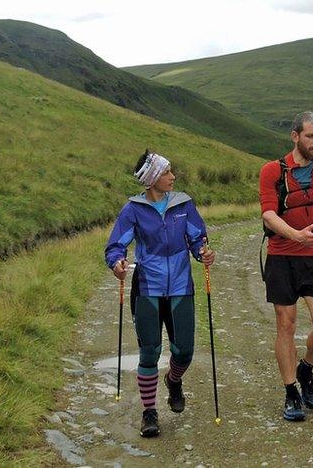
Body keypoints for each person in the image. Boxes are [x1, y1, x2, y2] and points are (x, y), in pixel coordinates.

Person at [104, 150, 215, 438]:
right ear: (153, 179)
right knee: (150, 351)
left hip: (181, 288)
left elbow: (197, 238)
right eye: (167, 173)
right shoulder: (133, 209)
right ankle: (149, 412)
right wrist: (116, 262)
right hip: (147, 289)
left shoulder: (184, 204)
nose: (173, 177)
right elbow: (117, 245)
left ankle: (173, 380)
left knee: (184, 352)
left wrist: (202, 252)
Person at [259, 111, 313, 421]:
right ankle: (291, 392)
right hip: (282, 256)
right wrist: (296, 235)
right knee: (286, 324)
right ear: (295, 136)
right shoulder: (272, 171)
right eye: (311, 136)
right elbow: (268, 214)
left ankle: (305, 369)